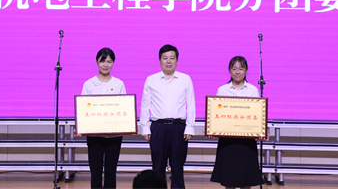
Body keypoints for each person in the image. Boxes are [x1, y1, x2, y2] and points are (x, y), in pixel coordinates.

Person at [139, 44, 196, 189]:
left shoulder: (185, 79)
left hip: (179, 128)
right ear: (160, 60)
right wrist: (145, 128)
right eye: (165, 58)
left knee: (178, 169)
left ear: (177, 60)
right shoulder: (151, 80)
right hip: (158, 128)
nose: (168, 61)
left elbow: (191, 105)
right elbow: (145, 106)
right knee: (157, 168)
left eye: (172, 58)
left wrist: (190, 127)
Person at [210, 56, 264, 189]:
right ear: (229, 70)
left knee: (247, 179)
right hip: (227, 141)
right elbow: (217, 115)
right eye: (234, 69)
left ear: (246, 70)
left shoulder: (253, 90)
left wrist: (260, 130)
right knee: (229, 179)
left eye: (241, 68)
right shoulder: (222, 90)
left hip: (247, 141)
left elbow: (257, 114)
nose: (237, 72)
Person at [81, 48, 126, 189]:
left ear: (113, 63)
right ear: (97, 62)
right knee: (95, 172)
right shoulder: (89, 84)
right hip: (94, 136)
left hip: (114, 136)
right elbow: (83, 109)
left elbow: (123, 108)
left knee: (111, 172)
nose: (105, 65)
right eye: (102, 61)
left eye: (109, 61)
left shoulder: (119, 84)